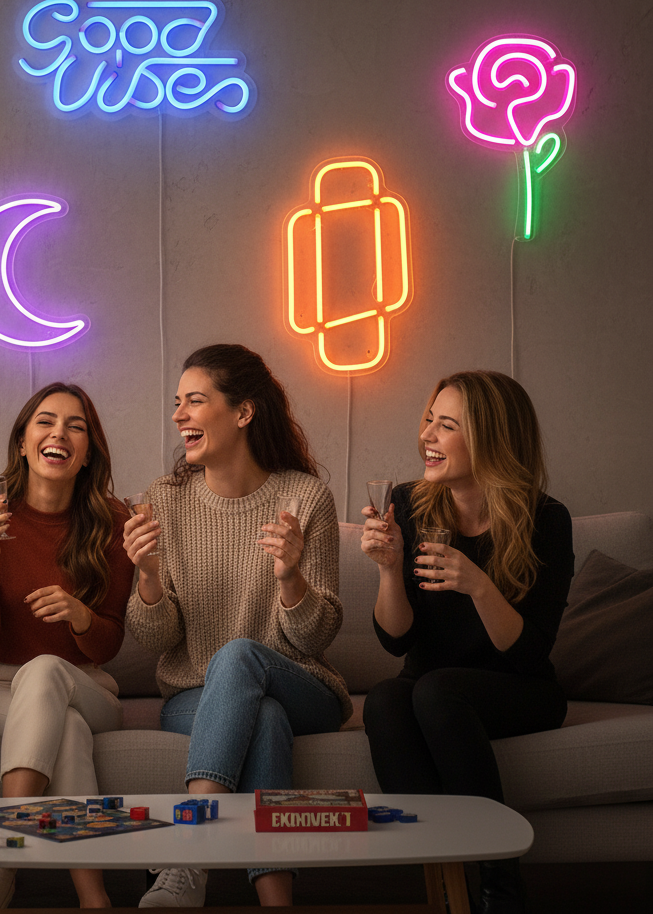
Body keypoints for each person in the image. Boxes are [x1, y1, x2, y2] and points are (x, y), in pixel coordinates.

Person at [124, 344, 351, 908]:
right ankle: (278, 902)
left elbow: (314, 638)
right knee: (263, 717)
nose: (179, 415)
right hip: (194, 695)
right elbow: (155, 639)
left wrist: (291, 577)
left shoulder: (304, 497)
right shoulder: (164, 501)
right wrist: (148, 578)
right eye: (177, 403)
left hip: (303, 685)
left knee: (241, 656)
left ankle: (188, 854)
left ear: (244, 413)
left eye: (195, 402)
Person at [360, 370, 573, 914]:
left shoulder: (546, 519)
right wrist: (389, 569)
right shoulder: (410, 504)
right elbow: (393, 639)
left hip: (518, 687)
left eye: (446, 424)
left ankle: (500, 884)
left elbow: (528, 653)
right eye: (429, 419)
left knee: (435, 692)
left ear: (490, 438)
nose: (426, 435)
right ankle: (449, 880)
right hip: (430, 683)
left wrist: (477, 583)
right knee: (387, 697)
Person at [0, 383, 134, 910]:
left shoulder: (114, 522)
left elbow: (112, 640)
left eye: (75, 426)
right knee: (67, 732)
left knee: (47, 670)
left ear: (87, 453)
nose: (59, 433)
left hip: (86, 684)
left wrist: (81, 615)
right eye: (45, 421)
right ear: (23, 441)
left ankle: (1, 860)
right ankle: (94, 899)